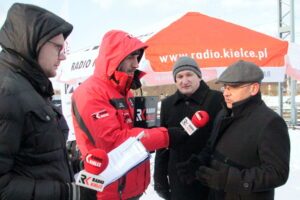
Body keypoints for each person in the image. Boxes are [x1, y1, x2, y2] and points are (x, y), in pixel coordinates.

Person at [71, 30, 187, 200]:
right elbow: (112, 141)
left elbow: (136, 131)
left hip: (130, 188)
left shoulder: (126, 93)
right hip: (104, 191)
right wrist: (166, 136)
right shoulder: (90, 92)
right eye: (130, 57)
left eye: (137, 57)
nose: (135, 64)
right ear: (114, 58)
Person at [0, 3, 92, 200]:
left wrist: (77, 165)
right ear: (33, 42)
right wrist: (67, 193)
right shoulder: (7, 92)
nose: (64, 55)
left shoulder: (31, 87)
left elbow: (36, 160)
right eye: (57, 47)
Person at [177, 60, 290, 200]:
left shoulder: (271, 122)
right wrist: (199, 162)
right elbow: (211, 147)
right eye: (225, 87)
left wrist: (230, 179)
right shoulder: (223, 113)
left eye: (234, 87)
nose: (226, 93)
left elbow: (278, 173)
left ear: (254, 88)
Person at [153, 56, 224, 200]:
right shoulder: (168, 104)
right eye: (179, 76)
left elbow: (224, 139)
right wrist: (159, 178)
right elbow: (162, 145)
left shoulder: (217, 100)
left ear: (199, 76)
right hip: (179, 180)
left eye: (189, 74)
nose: (184, 81)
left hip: (210, 178)